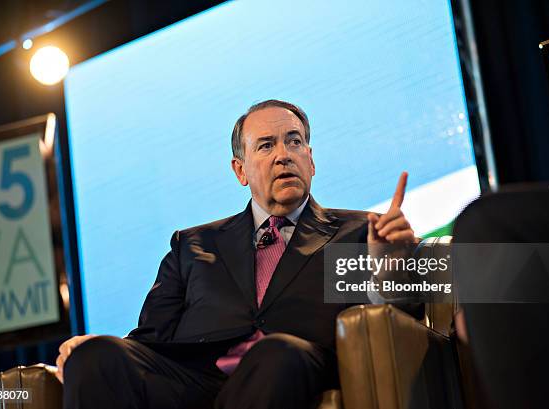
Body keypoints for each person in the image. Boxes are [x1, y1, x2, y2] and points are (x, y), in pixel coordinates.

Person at [57, 99, 418, 409]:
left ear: (310, 160)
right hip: (195, 382)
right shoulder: (192, 244)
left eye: (294, 142)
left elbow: (400, 316)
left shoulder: (361, 232)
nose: (283, 155)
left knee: (277, 354)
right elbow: (151, 339)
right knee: (97, 356)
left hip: (289, 369)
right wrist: (94, 347)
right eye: (265, 146)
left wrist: (391, 266)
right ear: (240, 170)